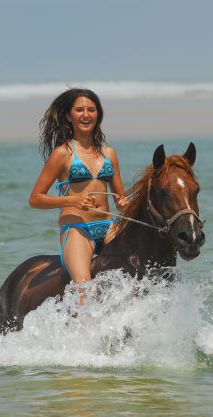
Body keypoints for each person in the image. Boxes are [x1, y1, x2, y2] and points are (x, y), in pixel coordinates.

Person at [29, 88, 129, 288]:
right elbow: (35, 199)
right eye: (80, 110)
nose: (86, 115)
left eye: (91, 110)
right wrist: (72, 200)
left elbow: (121, 200)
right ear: (68, 116)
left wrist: (125, 203)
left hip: (109, 227)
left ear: (98, 114)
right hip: (77, 229)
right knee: (85, 288)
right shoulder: (62, 153)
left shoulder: (109, 153)